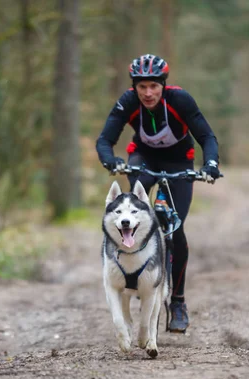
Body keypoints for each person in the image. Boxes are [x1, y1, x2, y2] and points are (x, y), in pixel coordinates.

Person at [96, 53, 221, 333]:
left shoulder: (180, 100)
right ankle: (135, 275)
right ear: (134, 87)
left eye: (154, 86)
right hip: (144, 159)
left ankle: (177, 301)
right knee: (135, 218)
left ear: (163, 84)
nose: (148, 93)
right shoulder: (128, 102)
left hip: (179, 163)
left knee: (175, 231)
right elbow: (105, 139)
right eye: (142, 87)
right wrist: (110, 161)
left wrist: (210, 164)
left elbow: (206, 137)